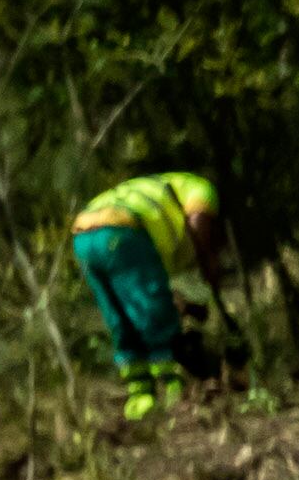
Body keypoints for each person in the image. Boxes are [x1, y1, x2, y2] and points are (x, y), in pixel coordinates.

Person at [69, 168, 222, 417]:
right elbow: (198, 222)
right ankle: (174, 390)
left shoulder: (154, 191)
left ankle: (140, 397)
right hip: (122, 230)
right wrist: (210, 264)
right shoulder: (202, 188)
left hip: (83, 236)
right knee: (154, 312)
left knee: (119, 318)